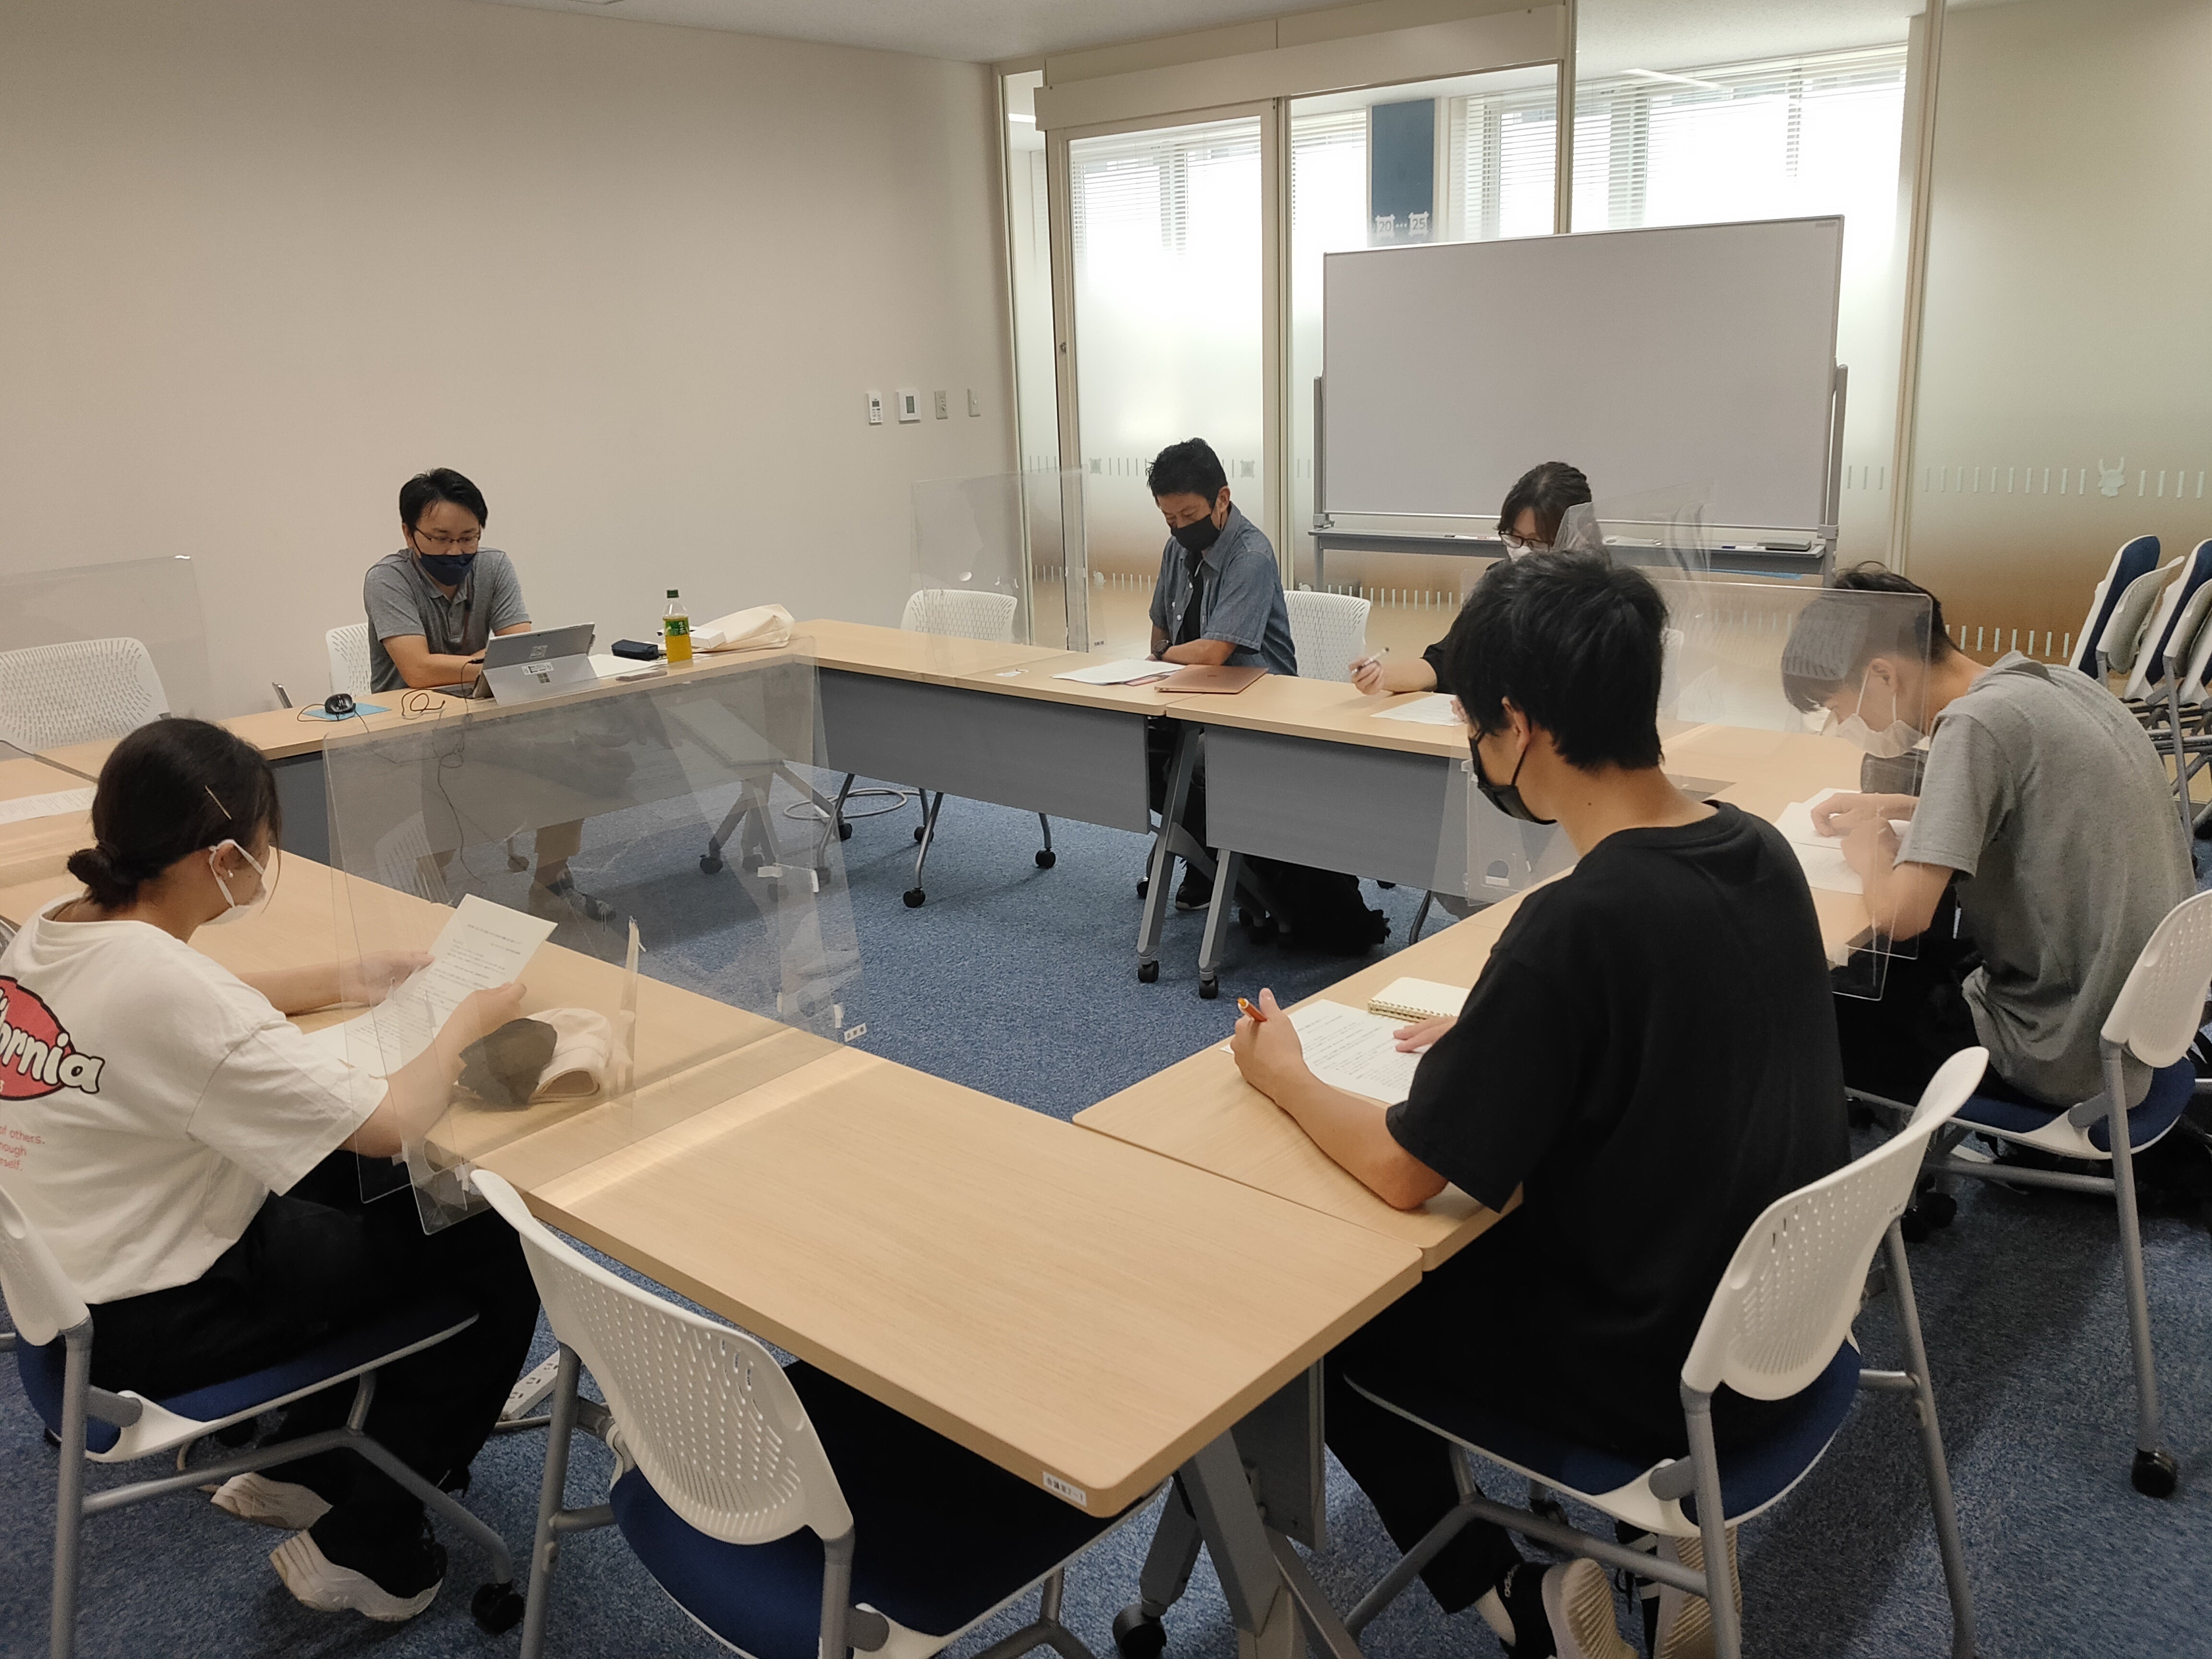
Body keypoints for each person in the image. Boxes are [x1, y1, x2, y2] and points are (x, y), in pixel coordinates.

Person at [1231, 552, 1849, 1658]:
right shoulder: (1754, 848)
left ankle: (1521, 1591)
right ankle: (1665, 1562)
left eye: (1474, 721)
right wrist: (1512, 1035)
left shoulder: (1579, 922)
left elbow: (1405, 1169)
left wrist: (1287, 1074)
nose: (1474, 744)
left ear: (1517, 726)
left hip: (1648, 1369)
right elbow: (1672, 1021)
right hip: (1772, 1330)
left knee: (1324, 1330)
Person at [0, 718, 540, 1623]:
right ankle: (370, 1544)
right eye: (262, 846)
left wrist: (347, 976)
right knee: (481, 1237)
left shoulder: (57, 928)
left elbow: (181, 1011)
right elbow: (391, 1124)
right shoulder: (169, 988)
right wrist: (465, 1022)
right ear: (221, 860)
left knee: (343, 1184)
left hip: (69, 1291)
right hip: (155, 1321)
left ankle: (311, 1461)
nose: (264, 863)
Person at [1781, 566, 2193, 1110]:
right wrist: (1905, 806)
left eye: (1838, 709)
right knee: (1911, 961)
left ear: (1882, 675)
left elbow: (1901, 916)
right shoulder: (2052, 683)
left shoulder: (1974, 724)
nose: (1843, 725)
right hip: (2132, 1020)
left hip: (2057, 1047)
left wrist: (1872, 857)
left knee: (1801, 1008)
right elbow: (2031, 809)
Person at [365, 467, 611, 922]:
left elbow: (521, 649)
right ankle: (424, 898)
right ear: (408, 533)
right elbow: (417, 670)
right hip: (414, 731)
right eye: (440, 539)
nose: (455, 551)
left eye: (468, 538)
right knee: (452, 791)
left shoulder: (493, 566)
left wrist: (490, 663)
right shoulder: (387, 579)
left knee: (575, 763)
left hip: (485, 713)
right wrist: (488, 661)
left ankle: (550, 885)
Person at [1144, 438, 1298, 909]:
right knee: (1133, 751)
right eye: (1169, 518)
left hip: (1255, 708)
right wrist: (1161, 657)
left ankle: (1227, 866)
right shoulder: (1176, 549)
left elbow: (1214, 652)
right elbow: (1159, 627)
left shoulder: (1250, 555)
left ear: (1222, 499)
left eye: (1189, 515)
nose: (1179, 527)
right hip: (1191, 699)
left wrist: (1161, 658)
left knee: (1190, 762)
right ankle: (1209, 855)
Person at [1350, 461, 1592, 697]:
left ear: (1578, 535)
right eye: (1514, 537)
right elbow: (1444, 663)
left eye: (1537, 542)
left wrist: (1492, 707)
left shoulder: (1597, 601)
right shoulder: (1500, 584)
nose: (1523, 550)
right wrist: (1382, 676)